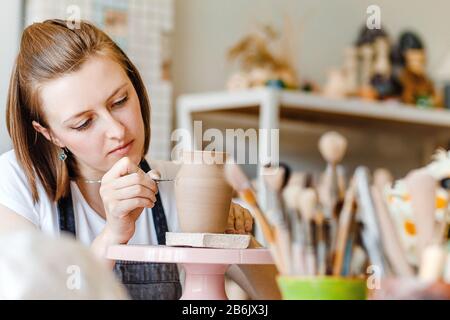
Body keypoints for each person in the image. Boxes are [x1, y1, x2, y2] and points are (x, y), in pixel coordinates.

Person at [0, 19, 280, 300]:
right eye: (84, 123)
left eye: (120, 101)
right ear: (49, 134)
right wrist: (112, 235)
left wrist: (234, 240)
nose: (117, 131)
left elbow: (279, 296)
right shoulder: (16, 184)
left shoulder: (178, 183)